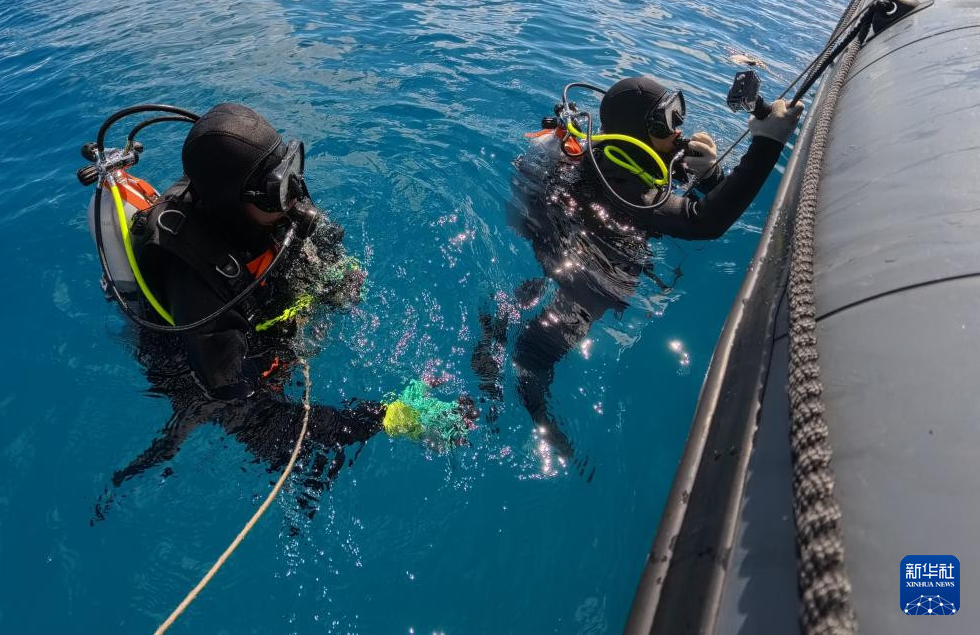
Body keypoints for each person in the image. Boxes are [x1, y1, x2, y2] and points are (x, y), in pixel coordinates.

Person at [99, 104, 476, 520]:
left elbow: (319, 245)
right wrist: (384, 418)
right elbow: (252, 419)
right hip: (204, 366)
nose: (296, 193)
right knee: (303, 459)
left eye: (291, 169)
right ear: (236, 202)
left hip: (254, 294)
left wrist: (337, 283)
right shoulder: (201, 293)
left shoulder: (261, 210)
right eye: (279, 186)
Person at [472, 76, 803, 458]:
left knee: (541, 295)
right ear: (643, 130)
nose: (678, 130)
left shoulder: (620, 158)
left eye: (678, 116)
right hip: (587, 272)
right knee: (537, 354)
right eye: (668, 121)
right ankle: (535, 418)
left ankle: (495, 333)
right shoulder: (624, 184)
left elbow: (695, 196)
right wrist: (767, 144)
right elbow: (704, 222)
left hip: (565, 246)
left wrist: (710, 176)